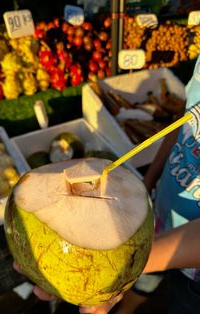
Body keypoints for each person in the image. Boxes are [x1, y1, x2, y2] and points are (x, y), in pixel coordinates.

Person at [14, 55, 200, 314]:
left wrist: (124, 265)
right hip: (158, 215)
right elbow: (185, 122)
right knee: (143, 286)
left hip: (194, 277)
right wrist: (148, 181)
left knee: (182, 305)